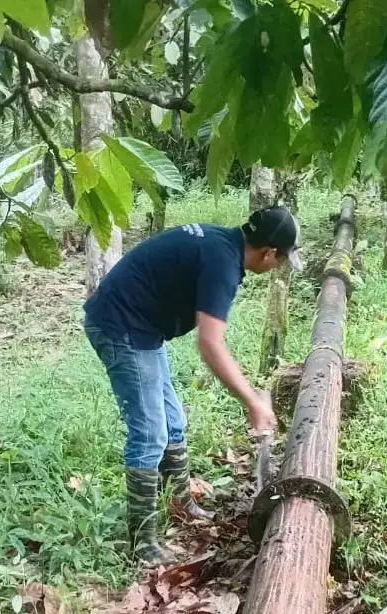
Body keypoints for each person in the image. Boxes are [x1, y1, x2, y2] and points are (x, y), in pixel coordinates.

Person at [83, 206, 302, 566]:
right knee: (150, 435)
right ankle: (143, 543)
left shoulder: (223, 244)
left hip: (142, 328)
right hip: (120, 327)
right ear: (269, 252)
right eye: (281, 260)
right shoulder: (222, 264)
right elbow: (210, 344)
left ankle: (181, 502)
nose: (276, 267)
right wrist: (252, 401)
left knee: (173, 423)